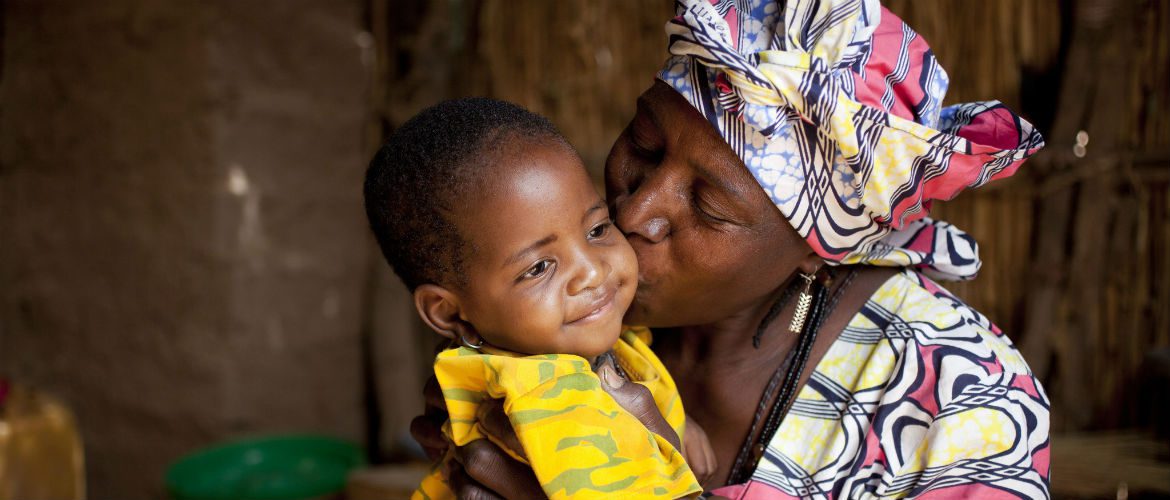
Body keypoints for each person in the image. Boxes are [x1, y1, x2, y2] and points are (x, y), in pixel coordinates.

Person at [411, 0, 1052, 498]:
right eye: (643, 144)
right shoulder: (558, 311)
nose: (634, 213)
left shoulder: (965, 403)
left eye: (711, 208)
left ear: (817, 249)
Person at [363, 98, 706, 499]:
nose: (593, 272)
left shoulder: (566, 345)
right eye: (538, 268)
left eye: (597, 230)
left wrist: (678, 424)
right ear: (449, 312)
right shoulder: (547, 397)